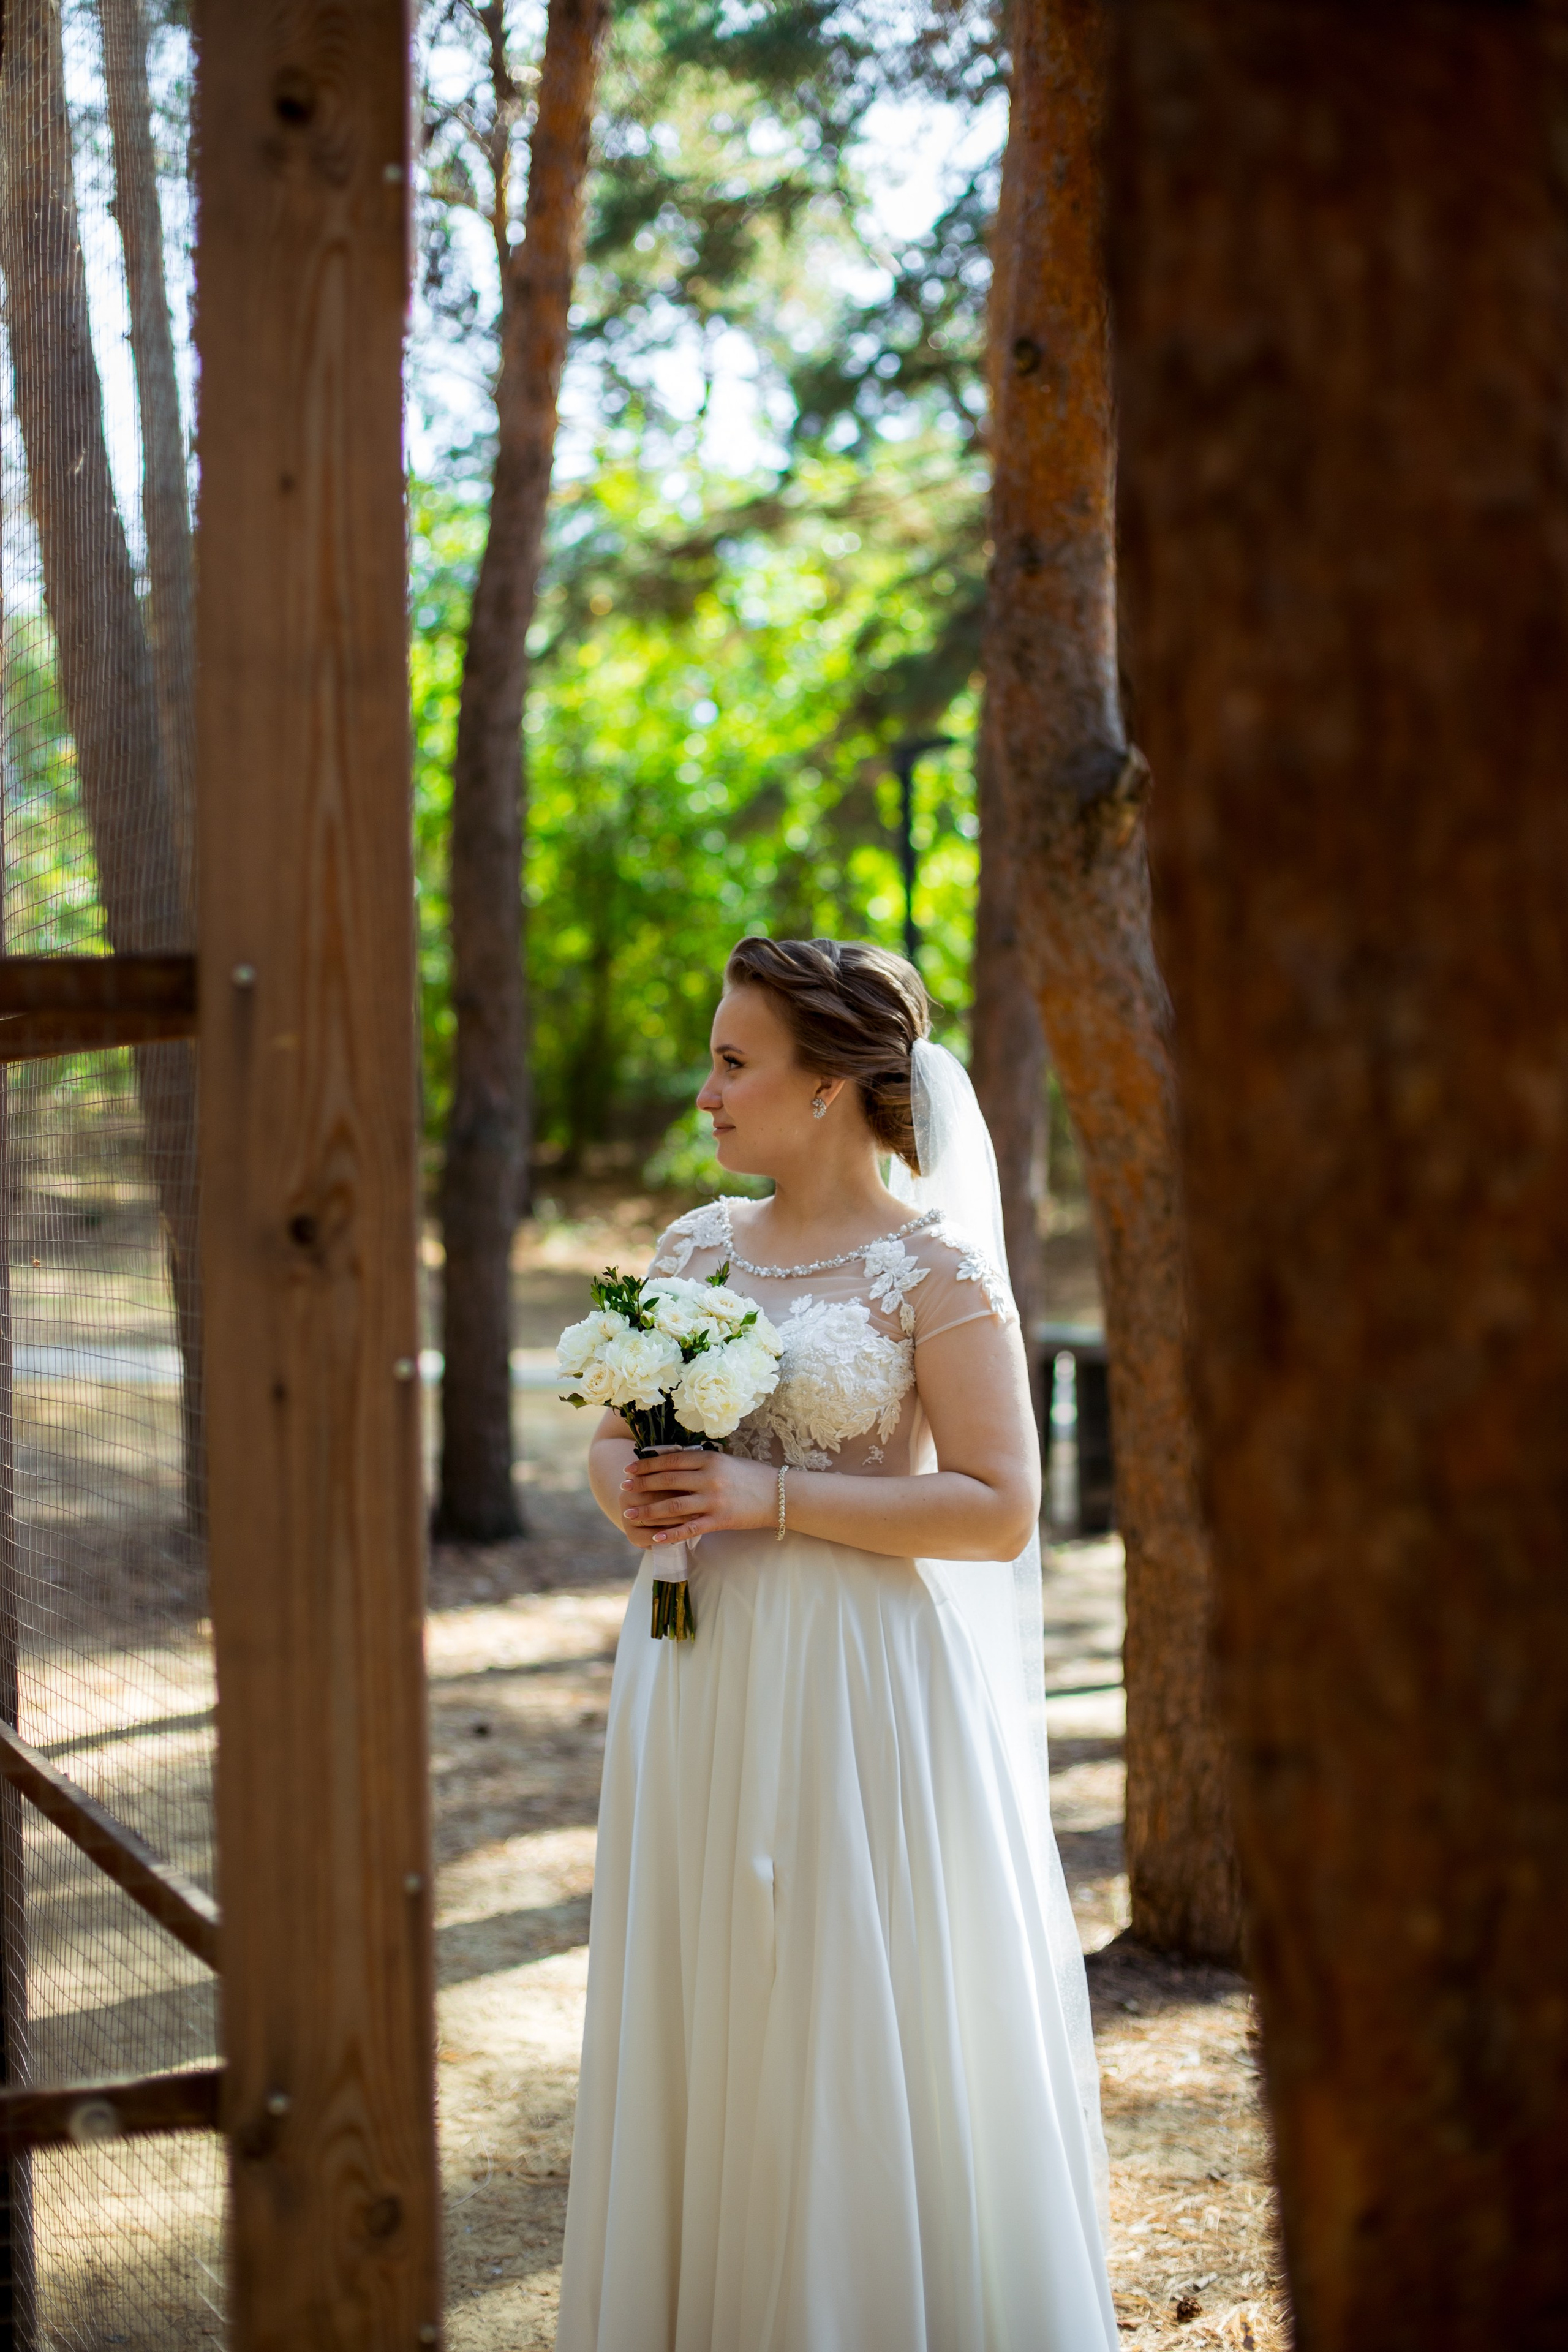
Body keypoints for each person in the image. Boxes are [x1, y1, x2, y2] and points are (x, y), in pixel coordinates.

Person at [557, 937, 1117, 2352]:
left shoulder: (930, 1270)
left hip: (853, 1687)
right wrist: (631, 1490)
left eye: (731, 1063)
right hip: (692, 1663)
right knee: (705, 1987)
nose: (704, 1093)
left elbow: (997, 1507)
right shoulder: (694, 1248)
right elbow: (612, 1441)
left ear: (826, 1088)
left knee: (829, 1996)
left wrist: (769, 1497)